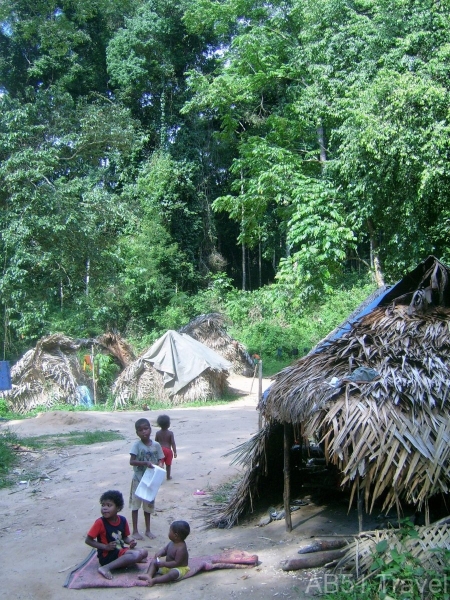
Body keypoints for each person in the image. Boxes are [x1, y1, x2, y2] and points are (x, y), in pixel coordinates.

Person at [85, 490, 148, 580]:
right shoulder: (100, 522)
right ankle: (105, 568)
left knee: (144, 552)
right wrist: (105, 547)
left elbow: (124, 537)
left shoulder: (122, 520)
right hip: (107, 556)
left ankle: (130, 559)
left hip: (119, 551)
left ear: (118, 508)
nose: (104, 508)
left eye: (109, 505)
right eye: (103, 505)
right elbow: (88, 540)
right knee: (136, 555)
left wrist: (130, 541)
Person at [129, 418, 164, 539]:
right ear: (137, 433)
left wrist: (160, 466)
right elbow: (132, 461)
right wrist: (145, 463)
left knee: (148, 505)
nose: (144, 432)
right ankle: (135, 531)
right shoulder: (136, 446)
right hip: (138, 480)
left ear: (150, 429)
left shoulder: (156, 445)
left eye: (146, 428)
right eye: (140, 430)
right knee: (135, 505)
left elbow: (161, 458)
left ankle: (148, 530)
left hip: (151, 481)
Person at [138, 520, 190, 586]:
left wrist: (164, 564)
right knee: (154, 562)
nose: (168, 533)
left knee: (173, 573)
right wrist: (160, 553)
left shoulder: (181, 548)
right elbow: (165, 550)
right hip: (167, 567)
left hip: (178, 568)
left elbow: (176, 563)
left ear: (176, 535)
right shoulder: (172, 542)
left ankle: (155, 580)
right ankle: (148, 575)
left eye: (170, 531)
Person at [155, 414, 177, 480]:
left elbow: (156, 443)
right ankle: (168, 476)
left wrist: (155, 452)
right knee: (168, 464)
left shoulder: (158, 433)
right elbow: (173, 443)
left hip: (160, 450)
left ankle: (159, 477)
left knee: (160, 464)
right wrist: (175, 452)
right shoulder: (170, 433)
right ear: (168, 424)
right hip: (168, 450)